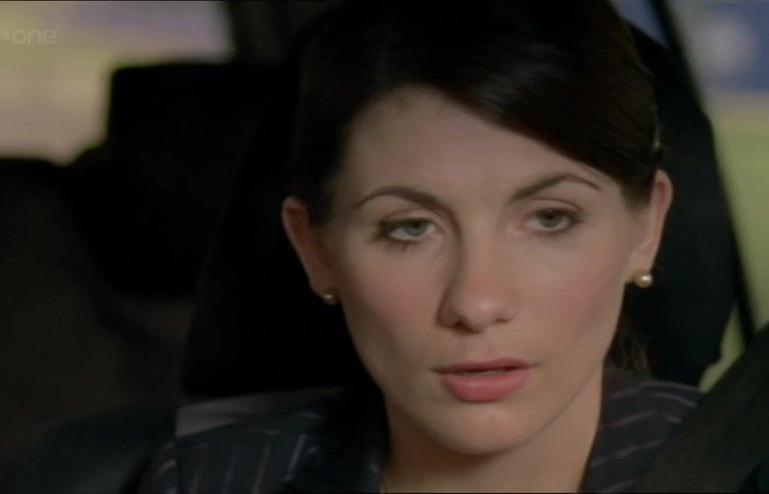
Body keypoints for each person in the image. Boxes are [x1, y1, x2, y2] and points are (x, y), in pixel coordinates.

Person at [139, 1, 702, 492]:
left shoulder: (746, 469)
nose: (475, 303)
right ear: (315, 250)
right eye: (409, 228)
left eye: (550, 219)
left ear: (645, 228)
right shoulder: (208, 483)